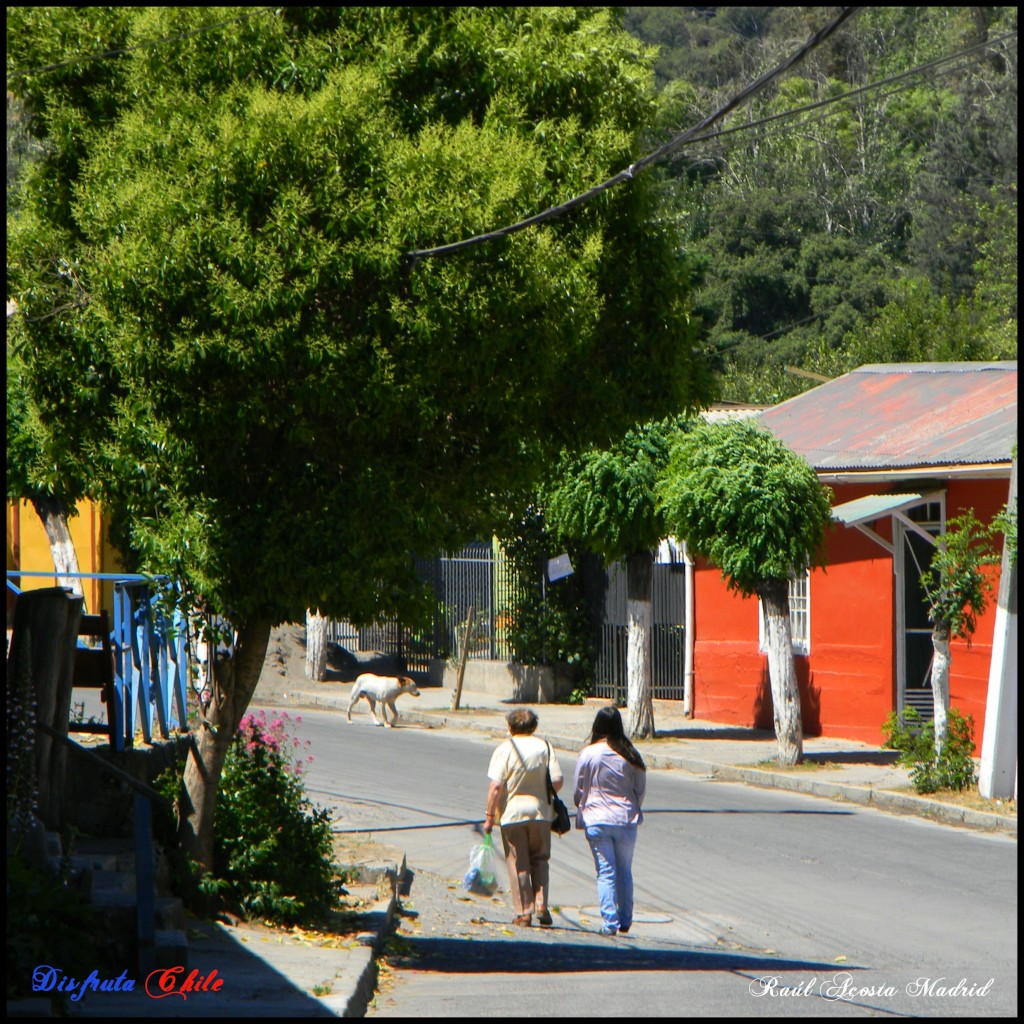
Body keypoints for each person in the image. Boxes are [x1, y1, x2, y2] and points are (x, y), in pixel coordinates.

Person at [483, 708, 563, 928]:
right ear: (534, 727)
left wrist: (489, 816)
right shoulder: (545, 747)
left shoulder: (504, 749)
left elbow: (496, 785)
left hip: (513, 814)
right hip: (541, 812)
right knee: (541, 859)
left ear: (510, 727)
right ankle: (541, 905)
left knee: (519, 863)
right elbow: (557, 780)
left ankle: (523, 912)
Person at [573, 706, 646, 936]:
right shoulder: (630, 754)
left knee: (606, 872)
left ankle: (609, 922)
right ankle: (625, 919)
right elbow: (640, 790)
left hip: (596, 820)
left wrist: (582, 805)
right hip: (625, 819)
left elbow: (578, 789)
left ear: (597, 726)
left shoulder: (588, 753)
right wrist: (632, 806)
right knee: (624, 870)